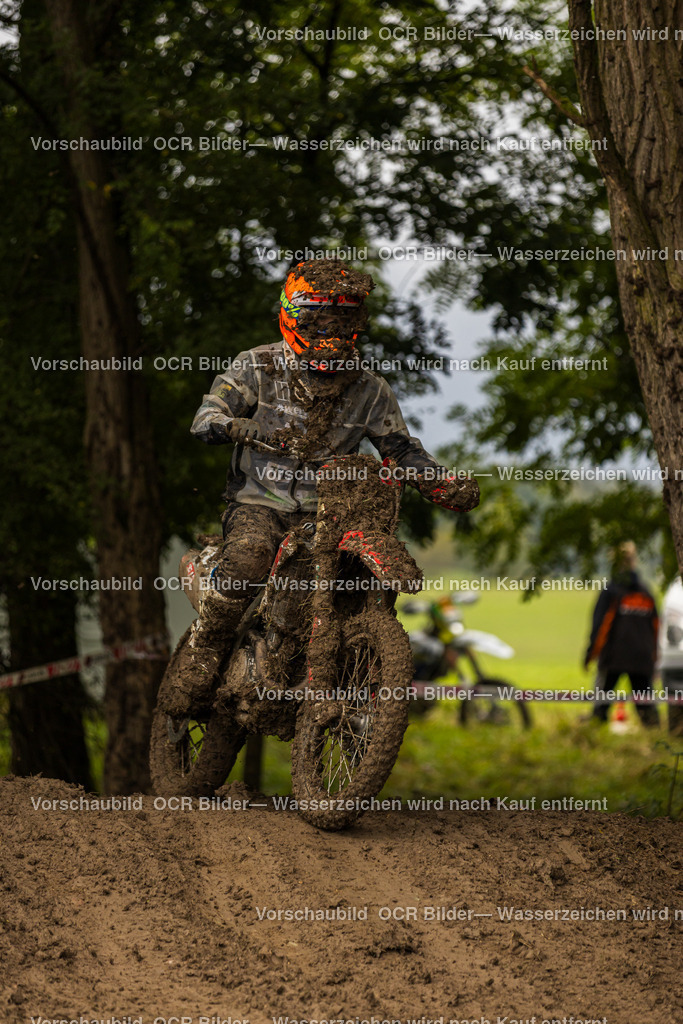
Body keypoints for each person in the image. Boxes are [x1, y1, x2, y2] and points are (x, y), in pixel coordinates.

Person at [162, 258, 480, 716]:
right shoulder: (258, 365)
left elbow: (401, 449)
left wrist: (441, 482)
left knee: (360, 578)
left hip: (330, 513)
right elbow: (205, 419)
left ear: (358, 322)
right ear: (295, 314)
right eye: (321, 317)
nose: (332, 327)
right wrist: (238, 428)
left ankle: (348, 679)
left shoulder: (370, 389)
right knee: (251, 554)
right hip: (258, 502)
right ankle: (206, 649)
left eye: (344, 318)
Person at [583, 541, 659, 726]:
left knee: (601, 706)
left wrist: (590, 654)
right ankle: (658, 743)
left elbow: (601, 627)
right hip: (642, 658)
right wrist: (655, 658)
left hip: (614, 657)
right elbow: (657, 627)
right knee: (646, 708)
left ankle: (593, 741)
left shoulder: (612, 591)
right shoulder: (646, 592)